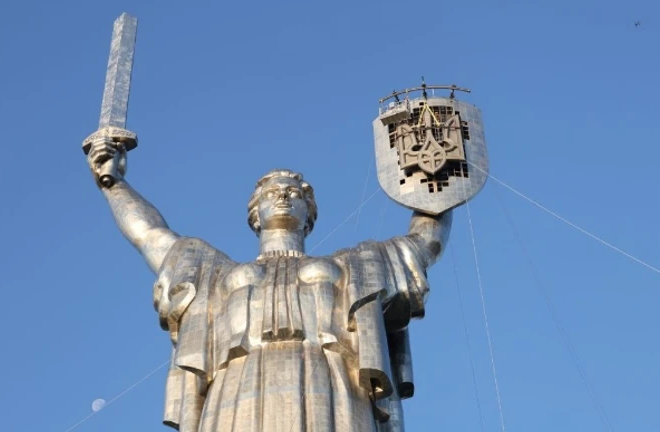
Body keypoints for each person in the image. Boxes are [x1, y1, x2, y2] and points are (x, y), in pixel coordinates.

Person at [86, 136, 453, 432]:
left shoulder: (353, 265)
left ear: (310, 215)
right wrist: (114, 183)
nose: (282, 196)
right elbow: (151, 236)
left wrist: (439, 179)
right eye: (271, 193)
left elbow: (423, 245)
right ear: (254, 213)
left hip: (330, 382)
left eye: (295, 194)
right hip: (238, 385)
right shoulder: (212, 273)